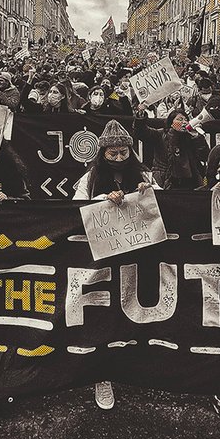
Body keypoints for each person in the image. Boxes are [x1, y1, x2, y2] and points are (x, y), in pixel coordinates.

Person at [70, 119, 157, 412]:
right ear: (103, 153)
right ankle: (102, 375)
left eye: (124, 153)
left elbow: (164, 211)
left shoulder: (144, 174)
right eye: (113, 154)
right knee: (102, 317)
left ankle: (135, 365)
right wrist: (102, 201)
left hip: (139, 259)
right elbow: (74, 210)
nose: (119, 159)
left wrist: (149, 192)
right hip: (102, 262)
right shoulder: (90, 179)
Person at [132, 107, 209, 189]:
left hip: (188, 182)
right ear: (171, 123)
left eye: (186, 120)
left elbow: (204, 156)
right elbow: (141, 132)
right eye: (179, 119)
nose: (184, 122)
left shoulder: (191, 138)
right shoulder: (160, 134)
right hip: (164, 179)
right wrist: (140, 117)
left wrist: (197, 137)